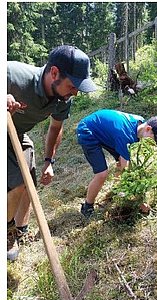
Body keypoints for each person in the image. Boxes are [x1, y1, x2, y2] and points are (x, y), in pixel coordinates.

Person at [7, 45, 96, 260]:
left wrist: (49, 161)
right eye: (72, 85)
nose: (75, 92)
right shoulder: (12, 74)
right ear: (54, 73)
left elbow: (55, 127)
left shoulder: (63, 98)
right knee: (18, 184)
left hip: (16, 134)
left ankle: (18, 231)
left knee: (29, 181)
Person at [77, 109, 157, 218]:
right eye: (154, 141)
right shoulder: (126, 136)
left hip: (107, 131)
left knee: (121, 163)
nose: (153, 145)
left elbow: (123, 164)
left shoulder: (140, 124)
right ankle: (87, 207)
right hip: (88, 130)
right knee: (102, 174)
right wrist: (140, 202)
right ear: (148, 129)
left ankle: (116, 190)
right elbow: (126, 173)